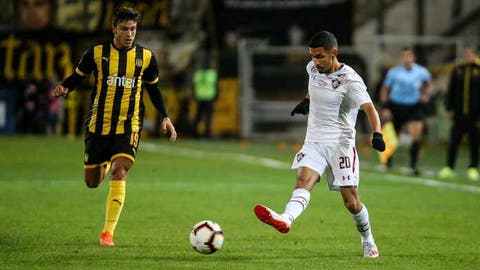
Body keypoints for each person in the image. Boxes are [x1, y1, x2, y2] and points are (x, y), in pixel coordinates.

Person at [51, 7, 177, 247]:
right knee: (91, 182)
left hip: (129, 125)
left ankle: (107, 233)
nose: (130, 34)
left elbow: (153, 88)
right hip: (98, 124)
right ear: (114, 28)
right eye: (125, 29)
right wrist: (65, 87)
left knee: (121, 170)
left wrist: (165, 117)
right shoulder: (97, 53)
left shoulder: (146, 57)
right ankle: (105, 161)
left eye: (133, 29)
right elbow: (79, 75)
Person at [253, 31, 385, 258]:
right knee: (304, 181)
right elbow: (315, 86)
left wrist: (377, 134)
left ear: (334, 53)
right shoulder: (312, 68)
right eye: (312, 56)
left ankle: (368, 240)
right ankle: (286, 219)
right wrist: (306, 101)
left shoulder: (351, 81)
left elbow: (369, 108)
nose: (315, 62)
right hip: (314, 140)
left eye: (320, 57)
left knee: (351, 202)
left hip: (340, 144)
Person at [380, 47, 432, 175]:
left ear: (413, 58)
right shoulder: (394, 72)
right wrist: (385, 107)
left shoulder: (421, 72)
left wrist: (426, 94)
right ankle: (387, 162)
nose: (406, 58)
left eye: (408, 56)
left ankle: (413, 166)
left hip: (414, 106)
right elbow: (385, 89)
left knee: (415, 135)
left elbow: (429, 84)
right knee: (392, 137)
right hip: (396, 106)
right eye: (403, 56)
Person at [438, 47, 480, 181]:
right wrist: (448, 108)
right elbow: (451, 91)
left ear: (475, 55)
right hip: (458, 114)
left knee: (474, 142)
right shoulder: (457, 70)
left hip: (475, 115)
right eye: (466, 54)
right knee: (454, 141)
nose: (467, 56)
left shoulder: (478, 70)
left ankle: (473, 168)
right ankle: (449, 167)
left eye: (470, 54)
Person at [191, 55, 218, 139]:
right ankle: (207, 134)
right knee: (208, 117)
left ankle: (195, 133)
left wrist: (194, 95)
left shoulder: (198, 73)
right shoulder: (212, 74)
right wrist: (216, 96)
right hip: (209, 98)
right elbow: (216, 86)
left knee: (198, 117)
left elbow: (193, 86)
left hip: (200, 98)